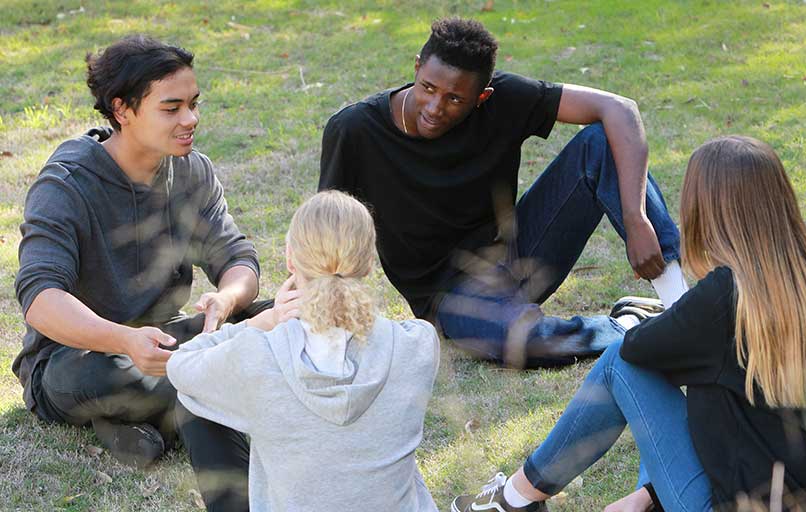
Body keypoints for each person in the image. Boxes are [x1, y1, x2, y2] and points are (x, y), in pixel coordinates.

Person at [451, 136, 806, 512]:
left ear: (705, 211)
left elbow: (636, 352)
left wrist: (674, 320)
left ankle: (515, 499)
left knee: (625, 361)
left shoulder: (723, 297)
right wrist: (649, 494)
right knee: (681, 365)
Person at [319, 17, 687, 369]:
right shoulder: (354, 130)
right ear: (417, 68)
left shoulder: (504, 100)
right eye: (428, 88)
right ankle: (629, 326)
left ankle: (684, 307)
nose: (434, 107)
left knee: (600, 143)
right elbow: (326, 232)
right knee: (527, 342)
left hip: (520, 254)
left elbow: (619, 109)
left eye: (454, 99)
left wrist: (635, 217)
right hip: (450, 296)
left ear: (482, 96)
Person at [11, 34, 271, 501]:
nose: (190, 119)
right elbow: (40, 299)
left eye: (193, 104)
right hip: (78, 360)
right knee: (194, 380)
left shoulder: (192, 171)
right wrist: (125, 340)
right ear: (122, 110)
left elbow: (238, 257)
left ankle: (137, 426)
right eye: (171, 108)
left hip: (167, 337)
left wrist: (226, 299)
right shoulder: (67, 183)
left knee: (285, 317)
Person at [167, 190, 441, 512]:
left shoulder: (258, 358)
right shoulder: (417, 346)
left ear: (289, 259)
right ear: (368, 264)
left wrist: (264, 320)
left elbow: (181, 365)